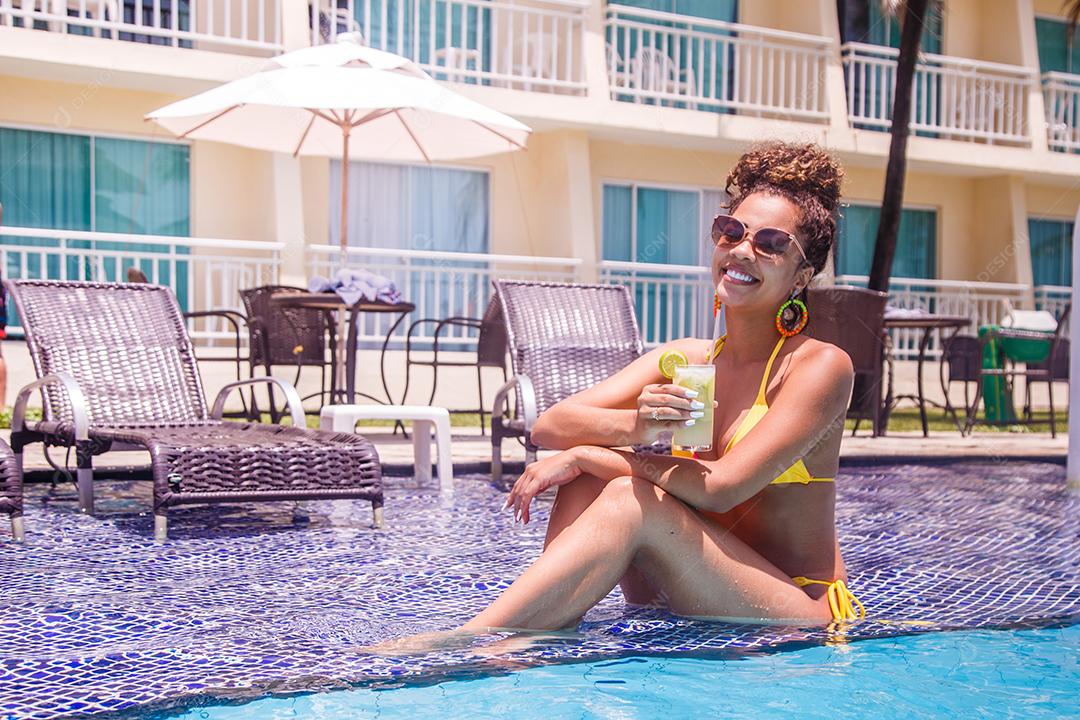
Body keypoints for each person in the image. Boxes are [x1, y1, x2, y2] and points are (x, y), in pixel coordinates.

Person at [459, 141, 861, 633]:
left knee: (622, 491)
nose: (741, 250)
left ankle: (474, 640)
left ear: (802, 275)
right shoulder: (689, 359)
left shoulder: (819, 366)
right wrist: (640, 423)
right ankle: (542, 631)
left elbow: (721, 488)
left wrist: (589, 455)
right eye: (730, 231)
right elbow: (550, 426)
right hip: (697, 580)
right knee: (595, 478)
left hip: (794, 609)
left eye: (771, 243)